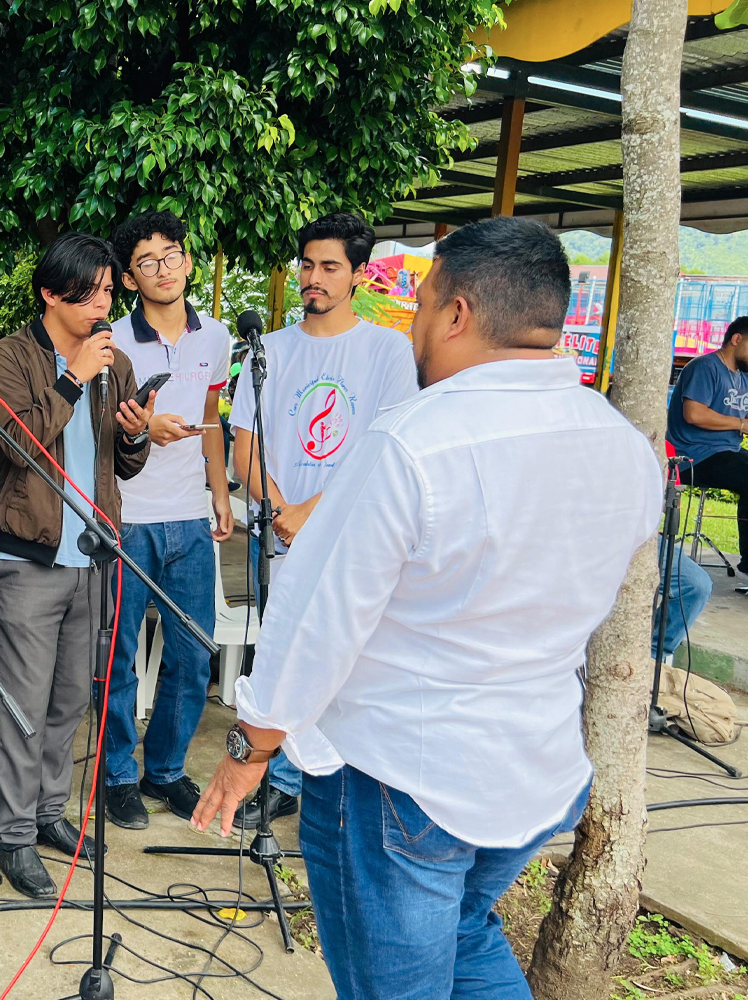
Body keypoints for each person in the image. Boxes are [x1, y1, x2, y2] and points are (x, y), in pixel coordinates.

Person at [192, 216, 661, 1000]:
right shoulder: (621, 446)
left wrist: (249, 749)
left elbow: (318, 620)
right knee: (467, 936)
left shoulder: (414, 442)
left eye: (422, 302)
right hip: (533, 767)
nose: (414, 323)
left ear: (457, 313)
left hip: (401, 782)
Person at [227, 211, 419, 829]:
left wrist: (312, 512)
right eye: (307, 265)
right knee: (283, 654)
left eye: (330, 267)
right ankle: (280, 777)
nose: (314, 277)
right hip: (281, 537)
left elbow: (384, 450)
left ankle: (335, 784)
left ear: (358, 275)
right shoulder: (271, 350)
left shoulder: (387, 350)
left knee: (349, 663)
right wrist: (283, 513)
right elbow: (244, 447)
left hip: (355, 539)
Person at [0, 232, 154, 898]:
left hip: (95, 554)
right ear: (53, 292)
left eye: (112, 290)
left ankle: (51, 812)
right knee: (23, 705)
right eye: (95, 291)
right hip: (30, 560)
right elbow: (13, 443)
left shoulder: (116, 361)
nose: (107, 303)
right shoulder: (13, 356)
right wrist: (71, 377)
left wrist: (135, 431)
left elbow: (123, 462)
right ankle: (15, 837)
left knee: (70, 699)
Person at [98, 210, 235, 830]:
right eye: (146, 261)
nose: (162, 269)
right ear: (130, 278)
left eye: (171, 255)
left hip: (191, 520)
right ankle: (119, 776)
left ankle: (167, 770)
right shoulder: (110, 341)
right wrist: (140, 428)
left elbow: (210, 419)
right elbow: (90, 421)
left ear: (187, 259)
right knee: (119, 655)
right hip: (128, 517)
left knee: (192, 654)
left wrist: (221, 495)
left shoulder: (218, 337)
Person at [666, 315, 748, 571]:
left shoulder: (743, 377)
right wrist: (741, 425)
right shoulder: (704, 367)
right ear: (736, 339)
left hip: (726, 452)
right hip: (693, 457)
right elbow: (694, 414)